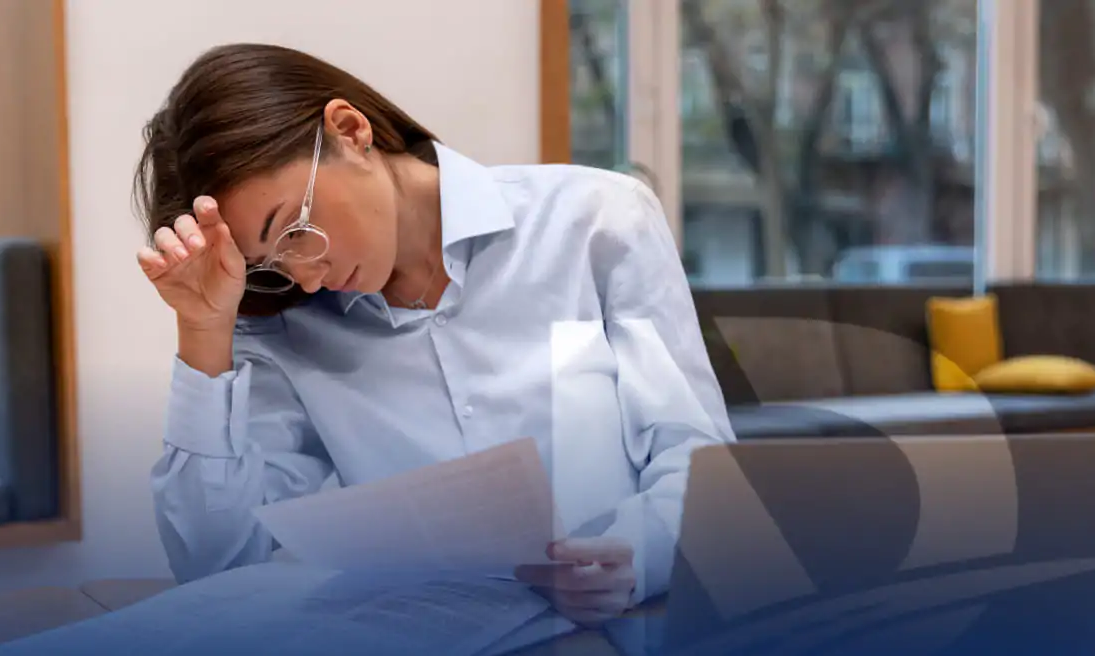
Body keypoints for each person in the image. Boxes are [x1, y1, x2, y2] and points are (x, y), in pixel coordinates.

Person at [135, 43, 735, 626]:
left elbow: (697, 457)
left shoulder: (596, 220)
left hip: (625, 638)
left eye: (293, 231)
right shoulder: (283, 325)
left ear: (350, 130)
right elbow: (218, 565)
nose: (306, 276)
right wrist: (204, 330)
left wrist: (633, 556)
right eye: (270, 265)